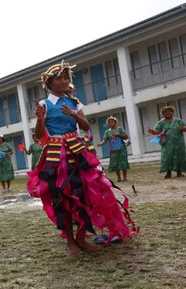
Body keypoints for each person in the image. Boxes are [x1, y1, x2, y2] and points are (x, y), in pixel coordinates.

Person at [27, 61, 137, 256]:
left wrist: (73, 114)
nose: (63, 81)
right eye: (58, 78)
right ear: (49, 83)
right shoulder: (44, 105)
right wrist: (40, 119)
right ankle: (70, 240)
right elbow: (38, 134)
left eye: (65, 78)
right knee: (61, 196)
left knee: (86, 193)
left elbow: (86, 127)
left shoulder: (75, 102)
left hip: (78, 150)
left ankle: (81, 237)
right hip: (56, 153)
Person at [147, 106, 186, 178]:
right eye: (165, 112)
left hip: (178, 143)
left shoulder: (178, 121)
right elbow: (157, 131)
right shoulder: (160, 122)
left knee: (179, 156)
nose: (168, 113)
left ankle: (179, 173)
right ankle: (168, 173)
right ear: (163, 114)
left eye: (169, 111)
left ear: (172, 112)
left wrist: (183, 128)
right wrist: (152, 131)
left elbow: (185, 128)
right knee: (167, 157)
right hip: (167, 143)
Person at [97, 116, 130, 182]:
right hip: (113, 149)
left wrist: (118, 134)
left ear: (115, 122)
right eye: (109, 123)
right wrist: (100, 144)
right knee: (115, 163)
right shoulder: (107, 131)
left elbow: (126, 136)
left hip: (121, 149)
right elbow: (105, 140)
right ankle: (118, 177)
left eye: (112, 122)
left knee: (123, 162)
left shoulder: (120, 129)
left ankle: (125, 177)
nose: (110, 124)